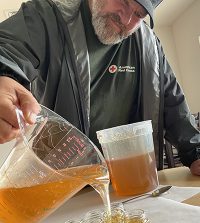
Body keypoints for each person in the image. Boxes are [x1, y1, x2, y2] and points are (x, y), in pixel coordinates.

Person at [0, 0, 199, 175]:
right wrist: (4, 76)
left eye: (139, 14)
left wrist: (196, 152)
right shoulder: (46, 17)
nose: (127, 20)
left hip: (131, 183)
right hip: (63, 183)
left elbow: (174, 106)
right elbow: (7, 47)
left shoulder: (150, 46)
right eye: (124, 1)